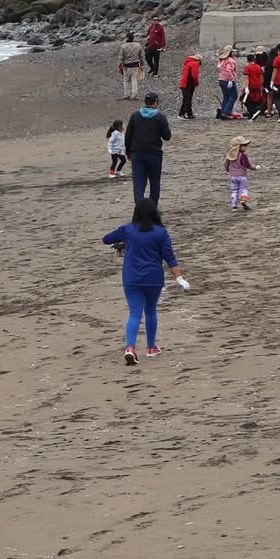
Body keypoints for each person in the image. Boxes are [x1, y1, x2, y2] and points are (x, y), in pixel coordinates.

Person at [102, 199, 187, 361]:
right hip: (153, 278)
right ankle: (151, 347)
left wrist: (121, 242)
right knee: (150, 311)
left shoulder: (127, 229)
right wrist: (179, 278)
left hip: (131, 278)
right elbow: (169, 257)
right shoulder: (161, 232)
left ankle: (130, 348)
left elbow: (106, 239)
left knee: (134, 313)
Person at [123, 91, 171, 204]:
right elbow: (167, 136)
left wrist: (128, 152)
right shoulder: (160, 117)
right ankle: (152, 208)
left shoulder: (135, 116)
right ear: (156, 103)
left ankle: (140, 208)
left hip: (137, 153)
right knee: (154, 181)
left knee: (139, 182)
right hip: (154, 154)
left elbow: (128, 136)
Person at [224, 135, 255, 210]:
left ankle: (234, 206)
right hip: (242, 176)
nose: (246, 147)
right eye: (244, 145)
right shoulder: (243, 155)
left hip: (233, 176)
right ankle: (243, 200)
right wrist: (255, 168)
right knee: (244, 189)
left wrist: (228, 170)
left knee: (234, 190)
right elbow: (247, 165)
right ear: (239, 147)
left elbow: (226, 164)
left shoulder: (230, 155)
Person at [117, 31, 144, 100]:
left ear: (127, 38)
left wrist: (119, 65)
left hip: (126, 66)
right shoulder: (138, 45)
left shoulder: (123, 46)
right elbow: (141, 56)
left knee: (126, 80)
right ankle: (134, 94)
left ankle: (126, 94)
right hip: (135, 65)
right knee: (134, 79)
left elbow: (121, 57)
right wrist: (142, 64)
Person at [215, 48, 240, 120]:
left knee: (226, 96)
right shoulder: (230, 60)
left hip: (221, 79)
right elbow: (229, 70)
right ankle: (226, 112)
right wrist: (231, 80)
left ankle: (223, 111)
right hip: (228, 80)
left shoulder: (221, 60)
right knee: (234, 96)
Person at [242, 52, 268, 120]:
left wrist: (246, 87)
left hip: (251, 85)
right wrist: (261, 85)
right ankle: (252, 113)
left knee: (245, 99)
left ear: (248, 60)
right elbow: (261, 77)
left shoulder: (247, 68)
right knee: (255, 99)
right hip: (258, 85)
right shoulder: (258, 67)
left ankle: (253, 111)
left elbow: (246, 78)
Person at [176, 51, 201, 119]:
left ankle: (189, 114)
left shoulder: (187, 63)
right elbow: (194, 75)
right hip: (189, 84)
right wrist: (196, 82)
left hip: (183, 83)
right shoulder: (195, 64)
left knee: (186, 99)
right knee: (187, 99)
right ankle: (182, 114)